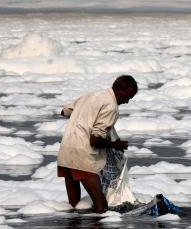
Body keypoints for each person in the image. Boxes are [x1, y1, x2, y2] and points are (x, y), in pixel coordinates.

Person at [58, 75, 138, 214]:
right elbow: (94, 140)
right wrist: (114, 145)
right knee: (102, 208)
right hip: (82, 155)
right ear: (120, 90)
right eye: (129, 96)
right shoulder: (111, 106)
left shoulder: (91, 95)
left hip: (66, 150)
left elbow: (65, 111)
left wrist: (84, 116)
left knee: (74, 207)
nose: (127, 101)